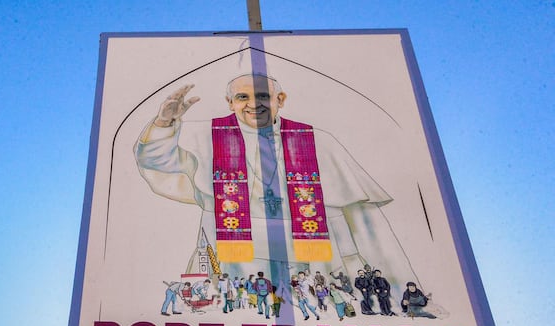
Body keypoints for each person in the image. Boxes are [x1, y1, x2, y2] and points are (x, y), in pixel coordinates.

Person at [135, 73, 417, 295]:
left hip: (305, 256)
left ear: (280, 99)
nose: (252, 104)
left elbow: (361, 219)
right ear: (230, 102)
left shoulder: (317, 141)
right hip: (234, 254)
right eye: (242, 97)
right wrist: (163, 123)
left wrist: (394, 276)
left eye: (262, 96)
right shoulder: (204, 136)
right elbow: (156, 161)